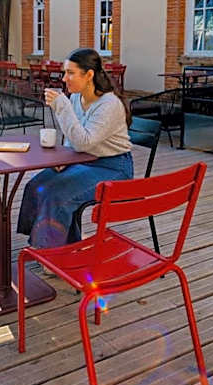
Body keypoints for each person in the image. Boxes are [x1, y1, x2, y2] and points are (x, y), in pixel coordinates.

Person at [17, 47, 133, 248]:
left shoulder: (109, 104)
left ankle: (51, 253)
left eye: (70, 73)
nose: (64, 79)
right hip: (83, 160)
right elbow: (73, 137)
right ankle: (63, 245)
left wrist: (61, 106)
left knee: (56, 194)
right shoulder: (76, 98)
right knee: (36, 186)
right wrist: (65, 160)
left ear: (89, 75)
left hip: (113, 168)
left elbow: (84, 141)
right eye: (65, 72)